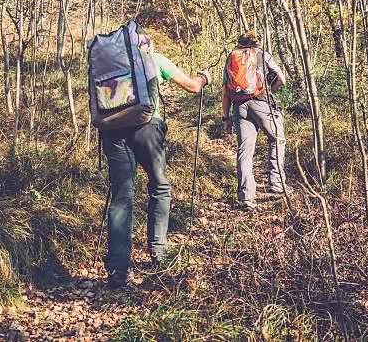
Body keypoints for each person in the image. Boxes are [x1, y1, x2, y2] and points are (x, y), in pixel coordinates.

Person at [100, 33, 211, 290]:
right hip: (147, 129)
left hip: (113, 132)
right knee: (160, 187)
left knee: (121, 196)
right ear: (146, 46)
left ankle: (117, 271)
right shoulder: (154, 59)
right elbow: (192, 87)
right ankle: (159, 255)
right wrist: (204, 77)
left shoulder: (110, 65)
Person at [222, 30, 289, 212]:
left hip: (238, 107)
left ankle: (246, 197)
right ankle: (276, 182)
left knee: (245, 150)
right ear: (256, 43)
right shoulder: (262, 55)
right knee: (277, 139)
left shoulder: (231, 58)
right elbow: (282, 79)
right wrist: (270, 89)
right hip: (260, 102)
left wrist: (226, 118)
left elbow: (225, 92)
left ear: (239, 43)